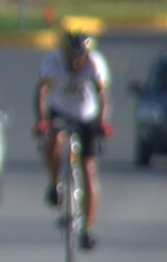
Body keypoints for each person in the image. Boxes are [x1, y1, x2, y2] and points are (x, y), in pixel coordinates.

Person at [35, 29, 111, 250]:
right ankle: (54, 184)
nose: (75, 62)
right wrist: (42, 121)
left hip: (86, 115)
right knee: (54, 141)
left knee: (88, 169)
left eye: (80, 57)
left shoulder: (95, 64)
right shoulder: (53, 62)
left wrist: (102, 123)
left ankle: (87, 228)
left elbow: (102, 96)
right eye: (71, 57)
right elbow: (42, 92)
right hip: (60, 110)